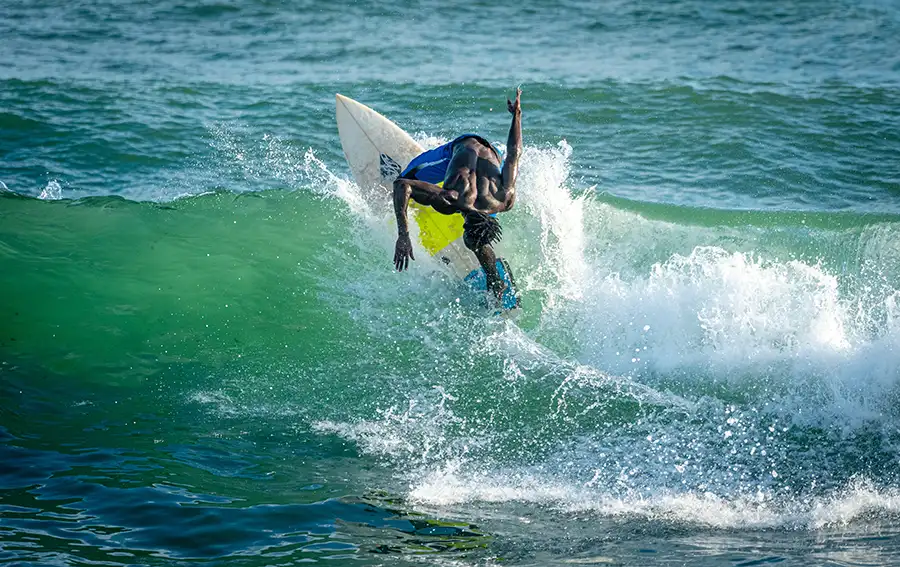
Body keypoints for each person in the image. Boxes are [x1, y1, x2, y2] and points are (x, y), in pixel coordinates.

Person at [392, 89, 522, 301]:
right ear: (465, 224)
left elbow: (515, 152)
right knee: (408, 175)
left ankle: (494, 278)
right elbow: (401, 185)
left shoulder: (505, 198)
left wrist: (516, 115)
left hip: (491, 151)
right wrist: (403, 235)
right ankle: (493, 277)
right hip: (460, 146)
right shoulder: (451, 198)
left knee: (478, 242)